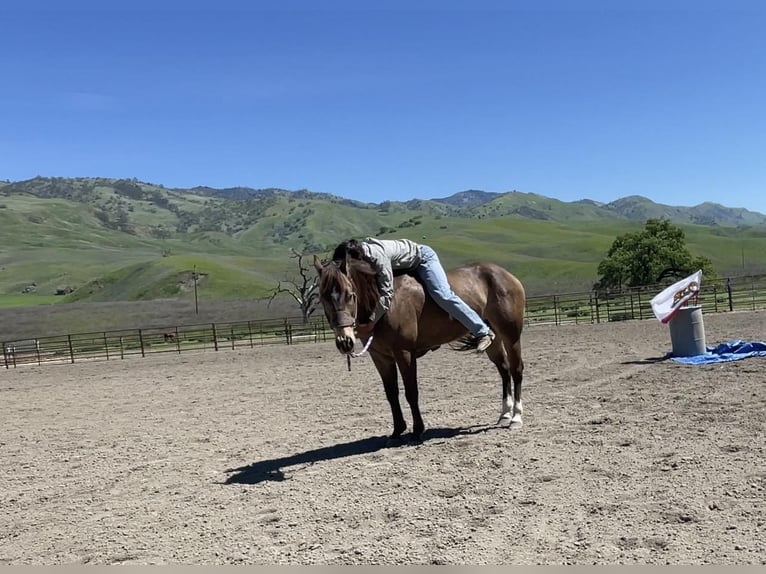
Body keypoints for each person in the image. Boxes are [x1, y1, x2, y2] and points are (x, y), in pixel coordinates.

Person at [331, 237, 495, 352]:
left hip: (423, 258)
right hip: (405, 265)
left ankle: (482, 330)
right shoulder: (361, 261)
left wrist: (372, 322)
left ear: (353, 260)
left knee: (443, 294)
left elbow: (386, 292)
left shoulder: (377, 257)